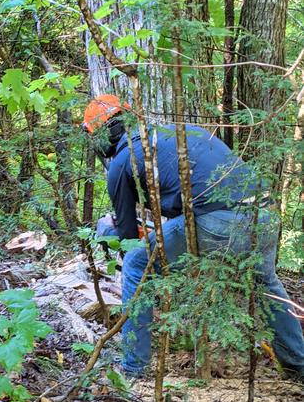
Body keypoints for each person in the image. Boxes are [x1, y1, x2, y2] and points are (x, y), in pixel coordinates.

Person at [82, 95, 304, 381]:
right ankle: (297, 365)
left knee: (137, 265)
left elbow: (127, 242)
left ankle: (134, 368)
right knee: (267, 285)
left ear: (103, 135)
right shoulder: (179, 131)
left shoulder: (122, 161)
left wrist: (109, 233)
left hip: (218, 221)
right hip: (264, 214)